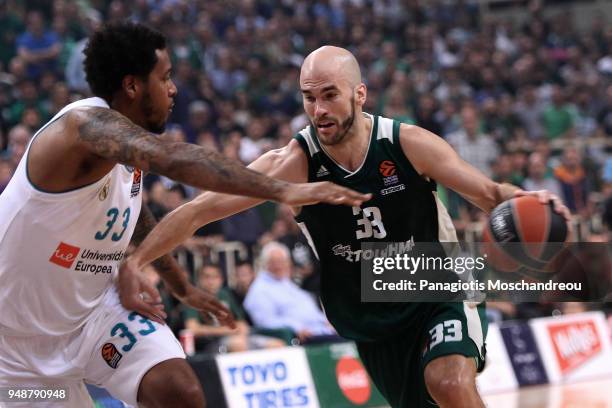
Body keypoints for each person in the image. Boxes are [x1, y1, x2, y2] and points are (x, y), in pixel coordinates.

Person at [122, 46, 570, 407]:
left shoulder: (407, 144)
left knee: (450, 383)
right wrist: (138, 262)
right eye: (308, 97)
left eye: (329, 95)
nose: (318, 109)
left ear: (359, 94)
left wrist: (531, 202)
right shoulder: (292, 165)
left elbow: (491, 194)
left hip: (437, 283)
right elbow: (200, 210)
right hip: (369, 312)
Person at [0, 24, 369, 408]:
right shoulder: (83, 129)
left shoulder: (121, 151)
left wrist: (181, 286)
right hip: (16, 348)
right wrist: (284, 189)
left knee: (181, 392)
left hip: (96, 316)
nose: (173, 88)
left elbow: (133, 219)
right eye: (165, 78)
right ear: (132, 86)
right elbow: (175, 159)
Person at [243, 242, 336, 343]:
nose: (279, 266)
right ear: (265, 264)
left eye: (282, 261)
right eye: (274, 262)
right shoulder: (259, 289)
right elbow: (265, 322)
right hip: (299, 337)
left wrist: (327, 321)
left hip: (321, 330)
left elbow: (308, 309)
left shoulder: (286, 283)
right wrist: (296, 327)